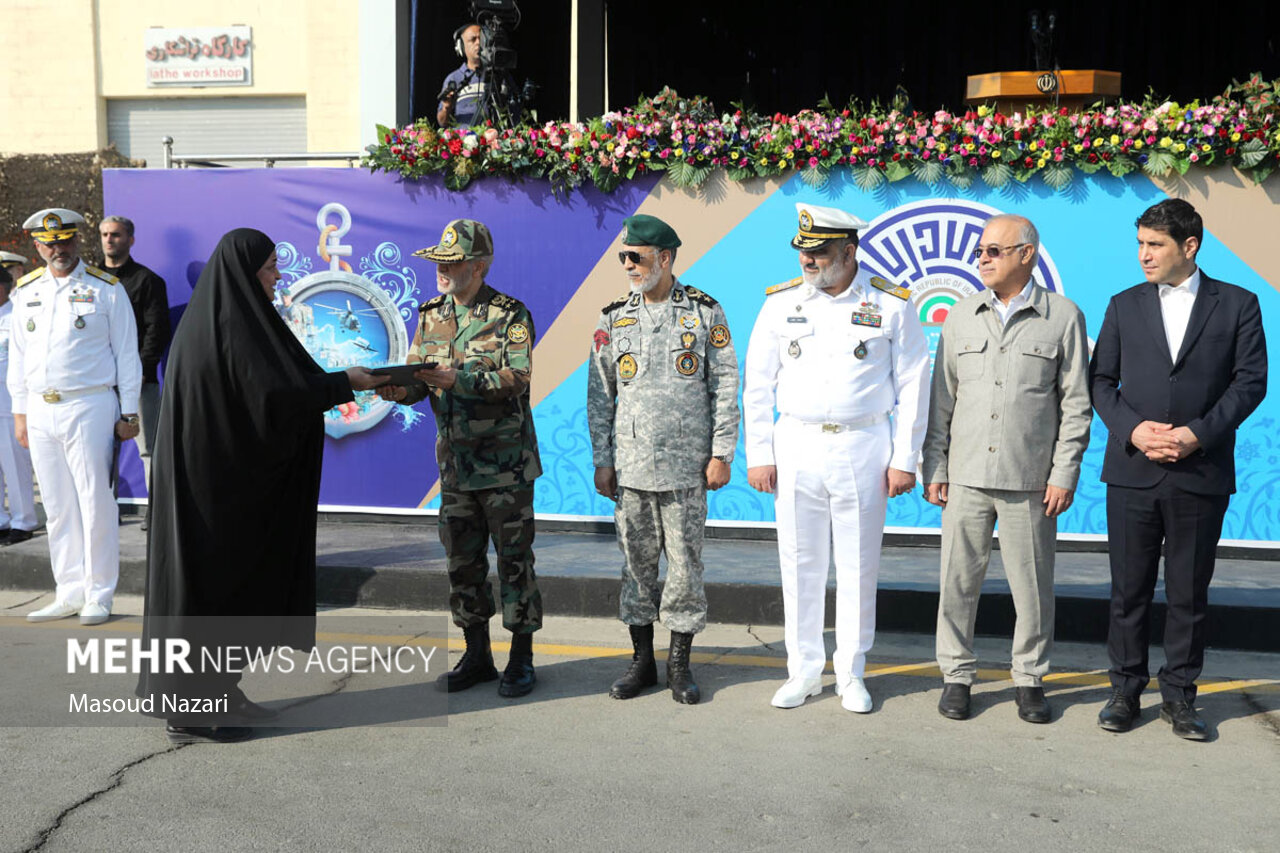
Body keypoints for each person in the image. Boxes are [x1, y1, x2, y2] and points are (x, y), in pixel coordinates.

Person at [137, 228, 385, 744]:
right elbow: (274, 395)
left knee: (233, 590)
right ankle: (192, 710)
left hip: (223, 484)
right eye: (270, 268)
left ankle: (223, 690)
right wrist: (347, 382)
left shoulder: (230, 320)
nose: (276, 278)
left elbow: (276, 386)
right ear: (244, 272)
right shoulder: (229, 326)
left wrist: (336, 383)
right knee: (211, 594)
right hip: (211, 494)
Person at [1090, 198, 1267, 740]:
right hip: (1133, 467)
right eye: (1140, 243)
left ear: (1189, 246)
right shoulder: (1123, 304)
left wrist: (1196, 435)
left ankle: (1181, 697)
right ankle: (1124, 689)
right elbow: (1101, 382)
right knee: (1129, 589)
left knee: (1190, 591)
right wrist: (1134, 430)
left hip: (1200, 470)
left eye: (1155, 245)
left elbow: (1249, 383)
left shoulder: (1237, 303)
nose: (1143, 255)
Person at [744, 203, 929, 713]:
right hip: (796, 442)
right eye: (803, 251)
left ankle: (851, 673)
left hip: (863, 443)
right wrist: (758, 453)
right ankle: (803, 672)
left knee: (857, 564)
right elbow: (757, 383)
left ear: (849, 251)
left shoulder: (891, 303)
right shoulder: (780, 303)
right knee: (800, 564)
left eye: (820, 252)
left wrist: (905, 458)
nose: (808, 261)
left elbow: (914, 383)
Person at [922, 214, 1092, 724]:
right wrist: (936, 464)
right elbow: (942, 401)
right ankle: (956, 676)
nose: (983, 258)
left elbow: (1077, 403)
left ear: (1027, 254)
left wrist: (1064, 471)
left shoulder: (1062, 317)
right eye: (981, 250)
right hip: (967, 476)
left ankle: (1029, 679)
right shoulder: (960, 316)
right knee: (957, 583)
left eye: (996, 250)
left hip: (1030, 480)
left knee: (1033, 587)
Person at [378, 219, 543, 698]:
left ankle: (521, 660)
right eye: (438, 262)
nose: (441, 271)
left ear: (480, 266)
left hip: (506, 467)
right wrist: (400, 388)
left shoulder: (510, 315)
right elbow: (419, 374)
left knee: (514, 564)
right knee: (462, 565)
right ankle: (477, 655)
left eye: (451, 264)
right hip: (455, 467)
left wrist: (461, 380)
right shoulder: (431, 314)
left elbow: (517, 379)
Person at [587, 214, 740, 705]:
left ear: (666, 258)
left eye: (638, 257)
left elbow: (725, 387)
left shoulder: (704, 313)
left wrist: (721, 453)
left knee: (685, 569)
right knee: (635, 567)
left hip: (685, 470)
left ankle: (679, 666)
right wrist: (602, 459)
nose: (629, 265)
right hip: (630, 471)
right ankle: (642, 663)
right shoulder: (613, 317)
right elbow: (600, 395)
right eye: (624, 257)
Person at [10, 208, 140, 626]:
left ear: (77, 241)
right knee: (57, 507)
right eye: (49, 243)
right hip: (41, 407)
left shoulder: (106, 289)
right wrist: (20, 413)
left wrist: (130, 411)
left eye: (64, 241)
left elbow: (127, 355)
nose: (57, 250)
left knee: (95, 502)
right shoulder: (25, 290)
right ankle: (68, 591)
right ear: (36, 246)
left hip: (90, 404)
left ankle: (99, 593)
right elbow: (18, 360)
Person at [100, 216, 171, 502]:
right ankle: (104, 508)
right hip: (100, 381)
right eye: (104, 234)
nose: (108, 240)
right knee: (100, 449)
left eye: (115, 235)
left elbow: (157, 329)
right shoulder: (91, 280)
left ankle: (156, 512)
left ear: (130, 239)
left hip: (140, 380)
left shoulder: (148, 280)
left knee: (148, 448)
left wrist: (141, 371)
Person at [0, 267, 37, 546]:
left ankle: (23, 521)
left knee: (15, 465)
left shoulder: (18, 316)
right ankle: (1, 520)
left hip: (10, 405)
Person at [437, 23, 484, 128]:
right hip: (465, 142)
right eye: (473, 39)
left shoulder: (499, 76)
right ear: (461, 47)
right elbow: (442, 122)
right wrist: (446, 107)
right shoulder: (453, 79)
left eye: (481, 39)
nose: (478, 43)